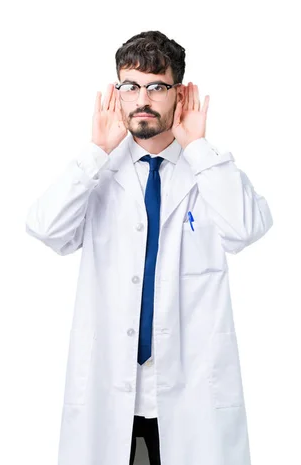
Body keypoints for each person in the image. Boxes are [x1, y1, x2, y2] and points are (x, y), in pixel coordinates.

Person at [25, 31, 272, 465]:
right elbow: (45, 228)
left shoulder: (208, 169)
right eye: (131, 86)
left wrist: (196, 145)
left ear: (180, 94)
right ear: (116, 94)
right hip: (111, 386)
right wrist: (96, 150)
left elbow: (246, 229)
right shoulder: (98, 172)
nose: (143, 99)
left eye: (157, 87)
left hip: (191, 389)